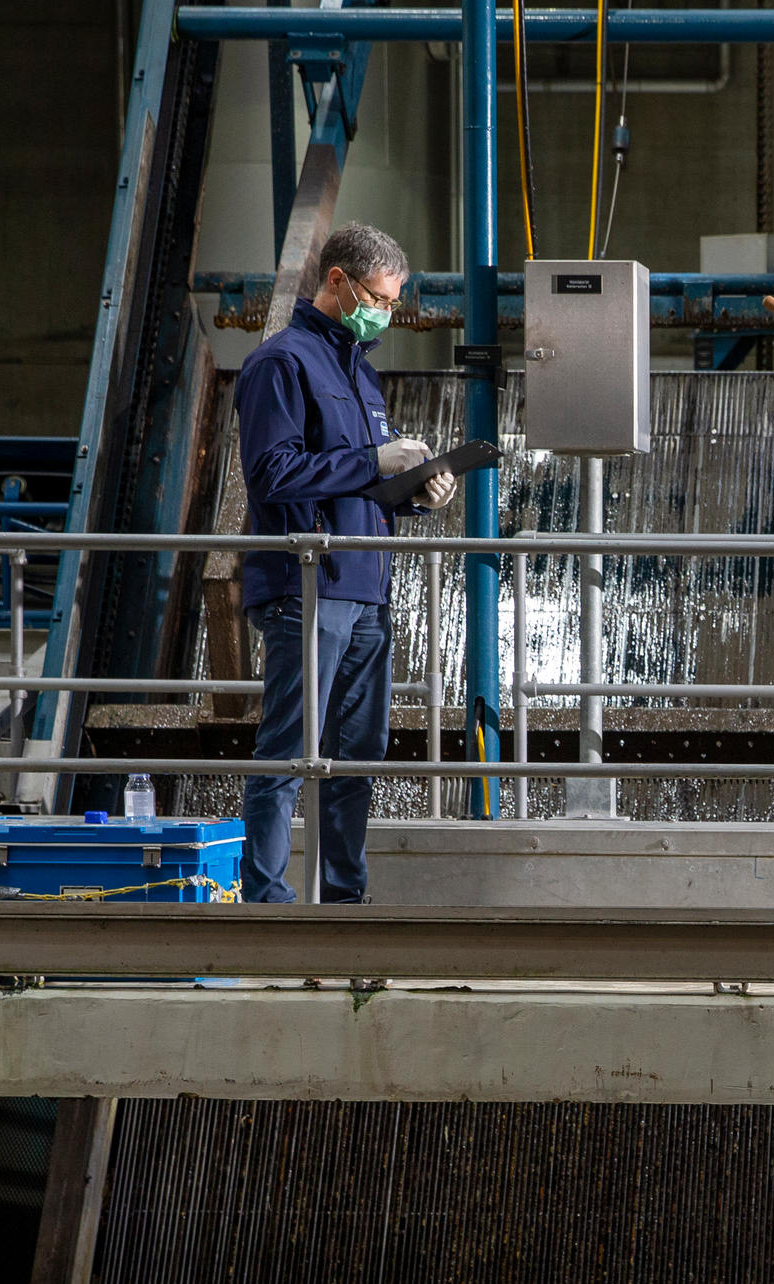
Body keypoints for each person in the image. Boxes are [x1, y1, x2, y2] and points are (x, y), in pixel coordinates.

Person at [233, 223, 457, 903]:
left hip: (365, 584)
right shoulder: (282, 363)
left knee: (357, 755)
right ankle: (267, 902)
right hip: (308, 584)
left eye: (393, 303)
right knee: (290, 751)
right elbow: (272, 473)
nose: (385, 313)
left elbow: (361, 483)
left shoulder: (360, 372)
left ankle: (342, 902)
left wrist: (416, 492)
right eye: (379, 299)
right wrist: (370, 461)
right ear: (337, 281)